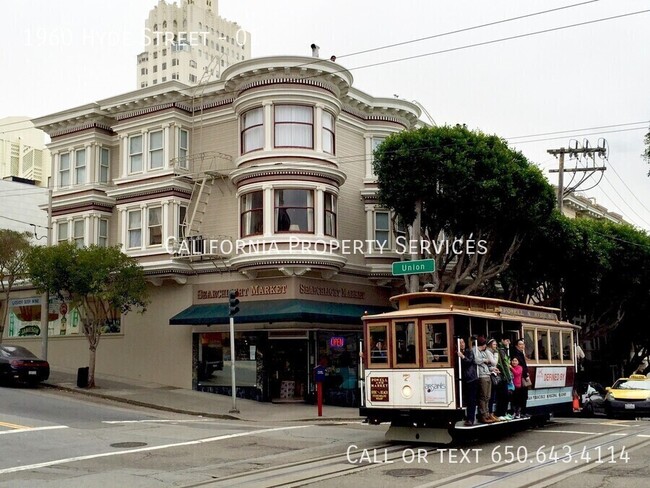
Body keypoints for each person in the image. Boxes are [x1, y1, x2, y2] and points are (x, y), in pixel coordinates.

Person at [474, 336, 495, 423]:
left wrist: (492, 369)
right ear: (483, 345)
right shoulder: (475, 350)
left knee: (488, 396)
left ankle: (487, 414)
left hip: (487, 374)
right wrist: (484, 360)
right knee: (483, 396)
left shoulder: (483, 352)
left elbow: (487, 364)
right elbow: (476, 360)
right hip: (482, 376)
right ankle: (483, 415)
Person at [458, 337, 478, 426]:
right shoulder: (455, 353)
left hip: (471, 379)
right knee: (464, 399)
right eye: (460, 342)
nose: (462, 344)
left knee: (471, 400)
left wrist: (462, 357)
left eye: (463, 342)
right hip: (461, 379)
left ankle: (471, 419)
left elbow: (469, 361)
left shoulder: (469, 352)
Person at [511, 338, 530, 417]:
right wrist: (526, 375)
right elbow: (520, 366)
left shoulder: (521, 353)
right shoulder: (516, 354)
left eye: (523, 344)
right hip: (520, 377)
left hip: (522, 376)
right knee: (521, 396)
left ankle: (522, 412)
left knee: (523, 395)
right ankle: (521, 412)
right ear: (516, 346)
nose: (522, 346)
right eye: (520, 344)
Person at [495, 336, 513, 418]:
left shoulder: (503, 350)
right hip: (502, 376)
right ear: (502, 340)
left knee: (504, 396)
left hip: (503, 376)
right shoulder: (501, 350)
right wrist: (508, 376)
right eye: (507, 340)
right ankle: (501, 413)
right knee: (503, 396)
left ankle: (503, 413)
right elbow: (504, 365)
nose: (508, 342)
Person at [485, 338, 501, 420]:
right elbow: (494, 362)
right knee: (490, 395)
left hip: (493, 373)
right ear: (490, 344)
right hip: (490, 375)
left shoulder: (491, 352)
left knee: (493, 395)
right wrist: (496, 354)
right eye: (494, 344)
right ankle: (489, 413)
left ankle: (491, 412)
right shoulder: (488, 352)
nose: (496, 346)